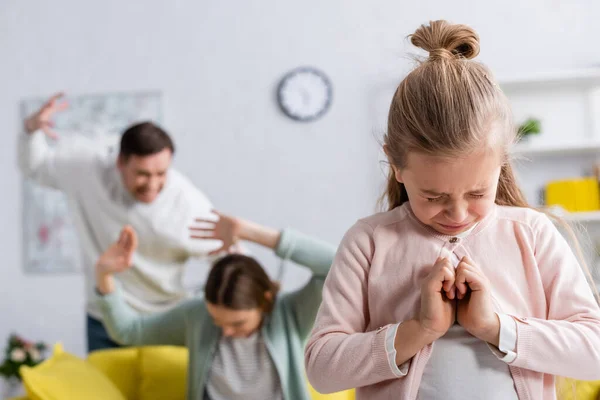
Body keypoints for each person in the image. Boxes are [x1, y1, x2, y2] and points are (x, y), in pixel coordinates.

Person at [304, 20, 600, 400]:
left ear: (502, 163)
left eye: (478, 192)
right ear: (395, 165)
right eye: (433, 196)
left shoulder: (532, 233)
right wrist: (419, 329)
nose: (457, 213)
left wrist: (496, 327)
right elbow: (322, 370)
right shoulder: (370, 242)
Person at [18, 93, 219, 352]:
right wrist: (30, 131)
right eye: (143, 174)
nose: (153, 184)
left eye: (161, 173)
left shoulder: (186, 202)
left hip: (167, 319)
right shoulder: (86, 171)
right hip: (105, 318)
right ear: (120, 162)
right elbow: (36, 167)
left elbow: (227, 254)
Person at [94, 211, 335, 400]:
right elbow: (129, 331)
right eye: (217, 321)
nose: (226, 332)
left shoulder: (291, 314)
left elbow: (335, 264)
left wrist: (249, 232)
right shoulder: (197, 316)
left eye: (237, 323)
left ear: (266, 300)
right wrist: (104, 276)